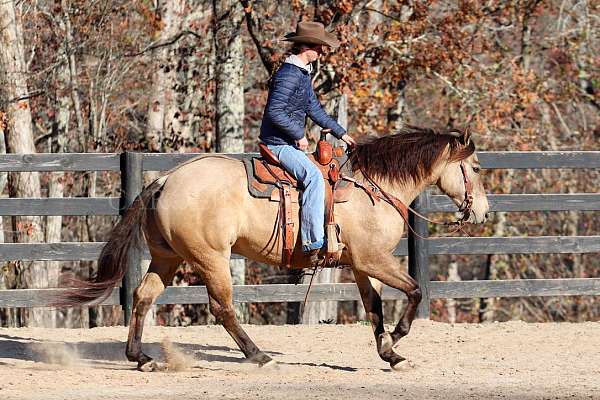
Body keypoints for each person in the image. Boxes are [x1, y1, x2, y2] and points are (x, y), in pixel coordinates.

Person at [259, 21, 356, 262]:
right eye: (319, 47)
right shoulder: (289, 75)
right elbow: (275, 112)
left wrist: (341, 133)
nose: (322, 51)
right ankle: (313, 242)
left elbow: (315, 109)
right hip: (277, 144)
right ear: (307, 47)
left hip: (287, 142)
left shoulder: (302, 73)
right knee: (313, 177)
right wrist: (298, 135)